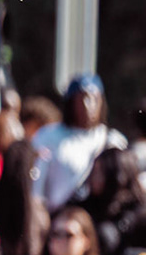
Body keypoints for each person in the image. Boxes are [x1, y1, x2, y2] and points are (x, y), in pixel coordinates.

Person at [31, 75, 125, 210]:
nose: (89, 105)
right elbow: (35, 186)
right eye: (83, 98)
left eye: (95, 99)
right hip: (57, 218)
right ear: (70, 102)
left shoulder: (113, 140)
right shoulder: (47, 136)